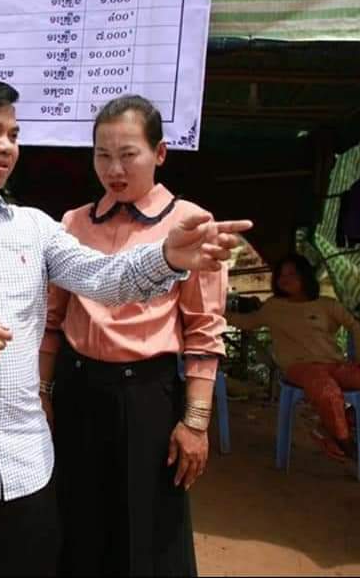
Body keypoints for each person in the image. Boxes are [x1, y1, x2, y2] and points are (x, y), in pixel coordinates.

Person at [0, 80, 250, 577]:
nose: (6, 147)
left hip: (24, 465)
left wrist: (166, 256)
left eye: (13, 135)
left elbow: (104, 278)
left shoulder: (36, 230)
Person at [38, 96, 227, 576]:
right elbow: (51, 321)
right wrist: (43, 393)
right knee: (77, 522)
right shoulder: (72, 224)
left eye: (128, 154)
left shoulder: (191, 226)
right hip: (79, 390)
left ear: (159, 153)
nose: (114, 169)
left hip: (148, 397)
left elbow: (204, 333)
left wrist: (196, 423)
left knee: (148, 532)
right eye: (102, 155)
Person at [227, 253, 360, 464]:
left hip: (334, 365)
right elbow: (246, 321)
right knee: (328, 391)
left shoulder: (327, 304)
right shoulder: (273, 307)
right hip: (299, 367)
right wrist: (215, 314)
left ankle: (335, 432)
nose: (285, 279)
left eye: (292, 274)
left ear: (305, 276)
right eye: (281, 275)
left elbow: (354, 324)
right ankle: (346, 444)